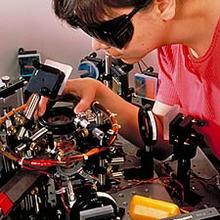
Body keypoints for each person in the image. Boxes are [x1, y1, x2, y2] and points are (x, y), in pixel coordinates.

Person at [38, 0, 220, 159]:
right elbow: (163, 136)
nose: (97, 45)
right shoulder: (173, 46)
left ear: (164, 4)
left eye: (105, 30)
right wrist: (98, 93)